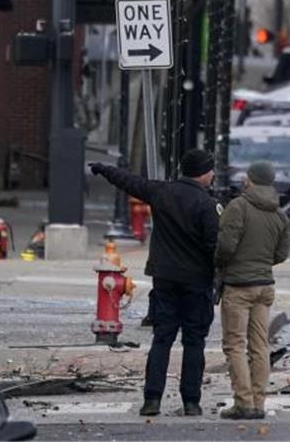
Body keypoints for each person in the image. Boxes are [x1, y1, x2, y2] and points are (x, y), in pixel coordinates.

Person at [88, 149, 221, 417]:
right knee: (194, 342)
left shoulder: (162, 192)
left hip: (165, 279)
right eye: (211, 170)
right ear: (204, 173)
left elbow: (129, 181)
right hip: (196, 282)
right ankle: (191, 401)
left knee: (162, 339)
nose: (213, 175)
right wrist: (219, 278)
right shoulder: (207, 205)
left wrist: (104, 169)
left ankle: (152, 399)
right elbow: (214, 246)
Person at [214, 161, 290, 420]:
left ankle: (243, 402)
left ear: (251, 179)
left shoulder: (238, 207)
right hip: (264, 286)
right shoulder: (279, 214)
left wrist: (223, 264)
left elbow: (225, 246)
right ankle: (258, 402)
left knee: (234, 345)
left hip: (238, 286)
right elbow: (281, 253)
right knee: (260, 346)